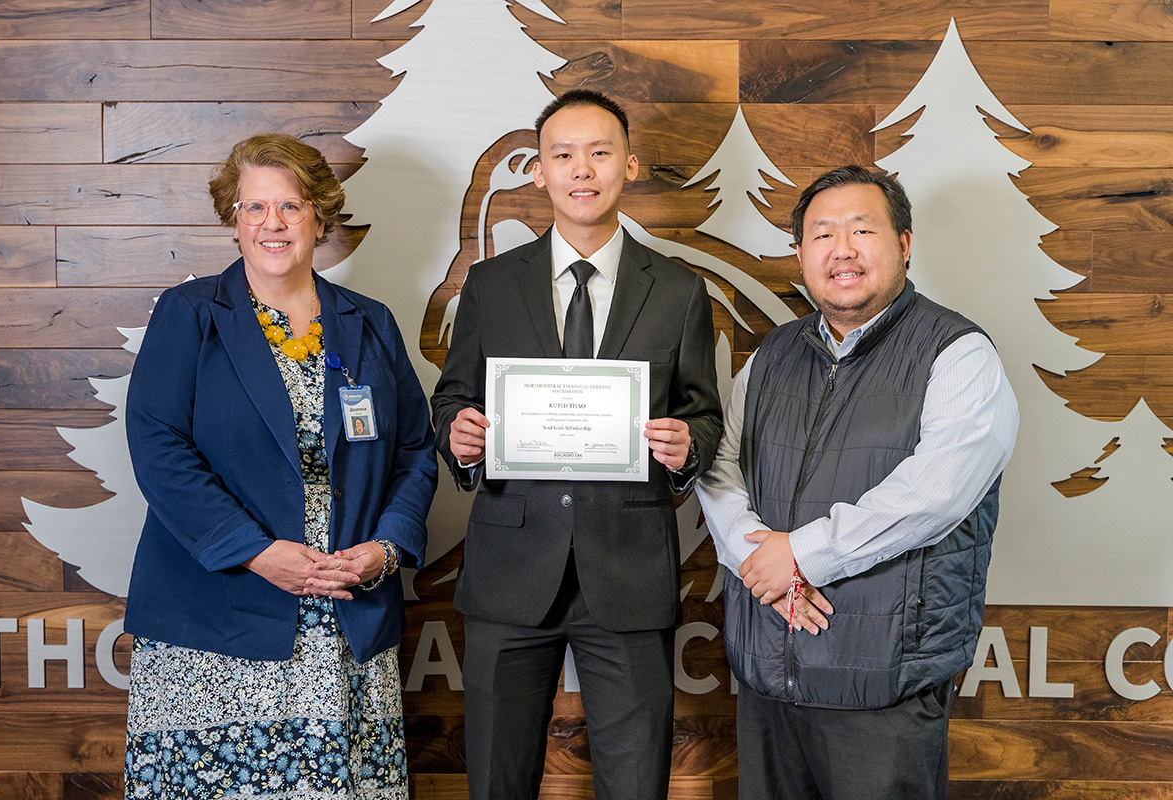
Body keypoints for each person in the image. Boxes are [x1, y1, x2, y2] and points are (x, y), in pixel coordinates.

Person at [123, 134, 437, 799]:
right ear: (233, 219)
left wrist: (386, 548)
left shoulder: (370, 323)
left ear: (319, 218)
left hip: (344, 611)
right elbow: (159, 446)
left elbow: (413, 448)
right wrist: (255, 551)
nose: (273, 223)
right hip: (218, 615)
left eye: (290, 207)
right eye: (254, 207)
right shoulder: (190, 315)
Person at [430, 90, 723, 800]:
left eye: (600, 152)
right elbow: (453, 398)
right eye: (563, 155)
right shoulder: (492, 284)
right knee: (498, 779)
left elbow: (705, 415)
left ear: (629, 164)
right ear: (540, 172)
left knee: (635, 782)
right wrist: (460, 437)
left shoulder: (680, 291)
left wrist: (688, 447)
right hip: (509, 569)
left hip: (627, 573)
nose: (582, 170)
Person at [696, 165, 1018, 800]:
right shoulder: (769, 357)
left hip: (885, 679)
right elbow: (721, 465)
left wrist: (802, 555)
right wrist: (757, 556)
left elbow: (936, 494)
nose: (841, 250)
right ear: (800, 252)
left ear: (902, 243)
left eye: (862, 230)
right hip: (769, 668)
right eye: (822, 234)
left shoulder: (957, 353)